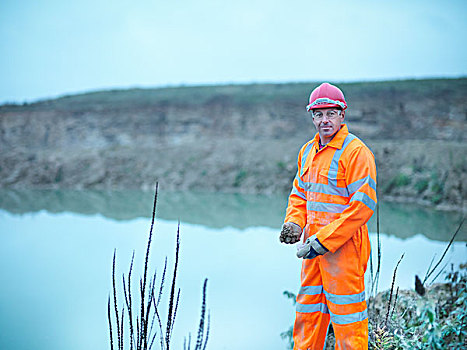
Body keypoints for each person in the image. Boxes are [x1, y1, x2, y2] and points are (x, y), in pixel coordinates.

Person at [280, 82, 377, 349]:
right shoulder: (307, 152)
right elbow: (300, 194)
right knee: (307, 318)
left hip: (344, 251)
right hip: (312, 251)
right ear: (312, 116)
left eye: (331, 113)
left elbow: (363, 207)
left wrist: (324, 241)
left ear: (342, 115)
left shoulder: (356, 152)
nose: (325, 120)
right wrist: (294, 222)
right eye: (319, 114)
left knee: (348, 324)